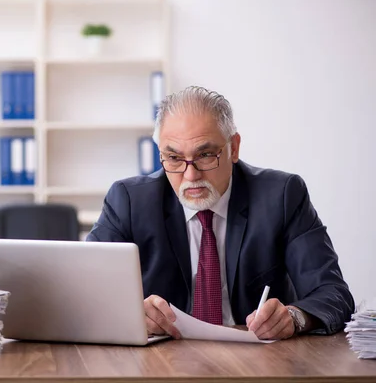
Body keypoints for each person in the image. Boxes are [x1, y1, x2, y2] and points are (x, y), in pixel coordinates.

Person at [86, 86, 354, 340]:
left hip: (259, 361)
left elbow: (333, 294)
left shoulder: (282, 195)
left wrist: (294, 318)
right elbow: (86, 290)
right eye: (174, 158)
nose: (190, 175)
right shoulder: (129, 201)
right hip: (162, 359)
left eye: (204, 155)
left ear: (233, 147)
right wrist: (132, 315)